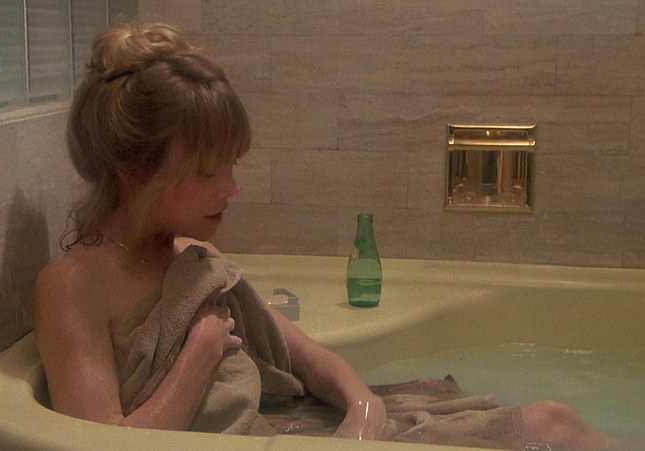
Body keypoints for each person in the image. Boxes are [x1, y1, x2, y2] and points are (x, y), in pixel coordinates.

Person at [34, 23, 608, 448]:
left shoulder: (193, 257)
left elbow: (308, 358)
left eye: (232, 164)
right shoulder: (73, 287)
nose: (231, 187)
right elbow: (103, 444)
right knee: (553, 431)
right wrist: (199, 355)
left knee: (556, 422)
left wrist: (362, 409)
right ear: (136, 170)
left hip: (290, 427)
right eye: (209, 172)